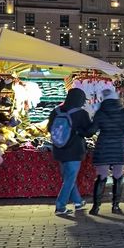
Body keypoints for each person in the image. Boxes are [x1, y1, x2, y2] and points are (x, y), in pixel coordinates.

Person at [87, 88, 124, 214]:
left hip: (104, 146)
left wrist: (82, 131)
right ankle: (115, 206)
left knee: (101, 176)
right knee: (118, 176)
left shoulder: (100, 112)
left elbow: (92, 130)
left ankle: (95, 208)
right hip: (120, 146)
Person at [48, 88, 94, 217]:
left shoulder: (55, 111)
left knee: (68, 177)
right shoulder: (81, 113)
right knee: (69, 178)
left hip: (59, 149)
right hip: (74, 151)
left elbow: (49, 129)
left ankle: (78, 202)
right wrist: (79, 131)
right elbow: (89, 132)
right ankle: (60, 205)